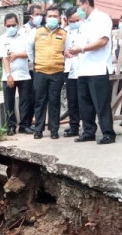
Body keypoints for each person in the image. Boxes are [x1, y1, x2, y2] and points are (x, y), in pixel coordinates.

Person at [66, 0, 116, 145]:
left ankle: (108, 133)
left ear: (86, 3)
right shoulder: (84, 22)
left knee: (101, 104)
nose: (78, 8)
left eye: (79, 4)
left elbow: (102, 42)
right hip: (83, 69)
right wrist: (72, 52)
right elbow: (82, 45)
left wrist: (81, 49)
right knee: (85, 104)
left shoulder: (102, 18)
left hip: (98, 68)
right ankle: (88, 132)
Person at [28, 5, 67, 140]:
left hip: (57, 72)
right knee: (39, 102)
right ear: (45, 18)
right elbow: (29, 49)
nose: (52, 18)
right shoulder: (37, 32)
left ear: (59, 18)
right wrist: (36, 63)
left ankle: (54, 130)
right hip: (40, 72)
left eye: (55, 16)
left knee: (54, 102)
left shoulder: (63, 33)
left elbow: (67, 52)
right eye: (50, 16)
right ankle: (38, 130)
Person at [0, 13, 33, 136]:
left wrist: (17, 54)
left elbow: (30, 54)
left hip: (24, 74)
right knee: (9, 102)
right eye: (9, 25)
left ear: (17, 24)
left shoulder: (25, 37)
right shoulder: (2, 39)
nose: (11, 27)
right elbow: (4, 58)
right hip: (8, 76)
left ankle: (24, 125)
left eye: (13, 25)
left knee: (25, 101)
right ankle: (11, 126)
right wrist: (9, 75)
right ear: (5, 25)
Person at [18, 4, 45, 134]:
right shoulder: (24, 30)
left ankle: (29, 122)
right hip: (27, 68)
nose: (40, 17)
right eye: (37, 14)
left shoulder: (42, 29)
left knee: (36, 97)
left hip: (39, 68)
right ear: (31, 16)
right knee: (27, 98)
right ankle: (24, 124)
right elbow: (24, 50)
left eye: (41, 14)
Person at [63, 7, 83, 138]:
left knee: (84, 100)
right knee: (72, 100)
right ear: (67, 20)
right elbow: (60, 49)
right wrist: (64, 53)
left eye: (77, 20)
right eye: (72, 21)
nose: (75, 23)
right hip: (69, 69)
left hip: (84, 69)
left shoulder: (87, 30)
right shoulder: (65, 32)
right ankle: (74, 126)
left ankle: (88, 127)